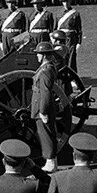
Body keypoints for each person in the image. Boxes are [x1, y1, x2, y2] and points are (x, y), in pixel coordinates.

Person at [31, 41, 61, 171]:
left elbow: (46, 93)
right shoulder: (47, 68)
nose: (37, 56)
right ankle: (52, 161)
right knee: (47, 133)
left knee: (46, 134)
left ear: (43, 55)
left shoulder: (45, 71)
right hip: (41, 104)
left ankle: (50, 162)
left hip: (41, 106)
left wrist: (43, 111)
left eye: (38, 54)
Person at [55, 0, 82, 70]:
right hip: (60, 39)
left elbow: (79, 29)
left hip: (71, 39)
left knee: (71, 59)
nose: (66, 3)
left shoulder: (75, 14)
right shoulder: (58, 14)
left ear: (70, 1)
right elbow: (55, 28)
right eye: (64, 2)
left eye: (67, 1)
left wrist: (79, 42)